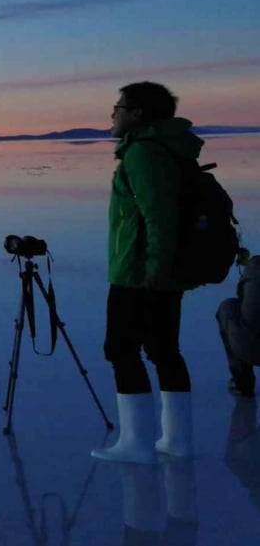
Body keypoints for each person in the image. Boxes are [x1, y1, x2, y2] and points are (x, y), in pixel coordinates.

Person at [91, 81, 201, 464]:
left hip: (139, 274)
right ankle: (176, 439)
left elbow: (159, 217)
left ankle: (136, 444)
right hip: (158, 271)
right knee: (163, 350)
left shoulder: (143, 154)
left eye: (118, 106)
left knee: (121, 349)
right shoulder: (164, 149)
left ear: (137, 113)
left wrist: (155, 269)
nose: (113, 114)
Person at [217, 251, 260, 398]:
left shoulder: (254, 270)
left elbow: (241, 298)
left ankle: (242, 382)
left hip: (250, 347)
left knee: (228, 307)